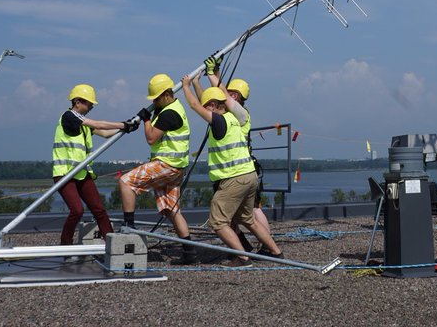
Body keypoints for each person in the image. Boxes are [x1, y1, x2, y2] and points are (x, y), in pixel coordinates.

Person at [181, 74, 283, 265]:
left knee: (218, 222)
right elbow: (205, 101)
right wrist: (196, 83)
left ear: (213, 105)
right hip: (249, 176)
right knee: (248, 218)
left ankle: (243, 257)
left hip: (233, 178)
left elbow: (196, 106)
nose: (205, 110)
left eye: (208, 106)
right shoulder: (233, 118)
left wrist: (185, 86)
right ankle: (276, 252)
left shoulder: (219, 122)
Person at [117, 73, 196, 264]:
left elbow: (151, 138)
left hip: (167, 165)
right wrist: (151, 116)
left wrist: (145, 120)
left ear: (167, 94)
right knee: (172, 210)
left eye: (156, 97)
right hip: (175, 168)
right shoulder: (172, 109)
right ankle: (189, 253)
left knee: (125, 182)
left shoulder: (169, 113)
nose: (154, 101)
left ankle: (129, 226)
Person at [52, 83, 137, 246]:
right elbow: (99, 125)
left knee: (99, 210)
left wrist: (127, 129)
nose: (91, 107)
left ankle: (112, 245)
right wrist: (122, 124)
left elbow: (104, 133)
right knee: (77, 210)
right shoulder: (69, 117)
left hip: (81, 173)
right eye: (89, 104)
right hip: (64, 174)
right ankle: (65, 246)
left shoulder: (82, 124)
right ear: (77, 102)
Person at [204, 61, 270, 251]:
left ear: (241, 99)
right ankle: (244, 247)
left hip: (240, 170)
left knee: (254, 212)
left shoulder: (241, 114)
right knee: (234, 217)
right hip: (230, 171)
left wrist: (210, 73)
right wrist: (215, 71)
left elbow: (222, 95)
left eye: (235, 94)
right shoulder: (229, 113)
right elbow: (218, 94)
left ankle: (265, 247)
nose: (230, 95)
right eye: (230, 91)